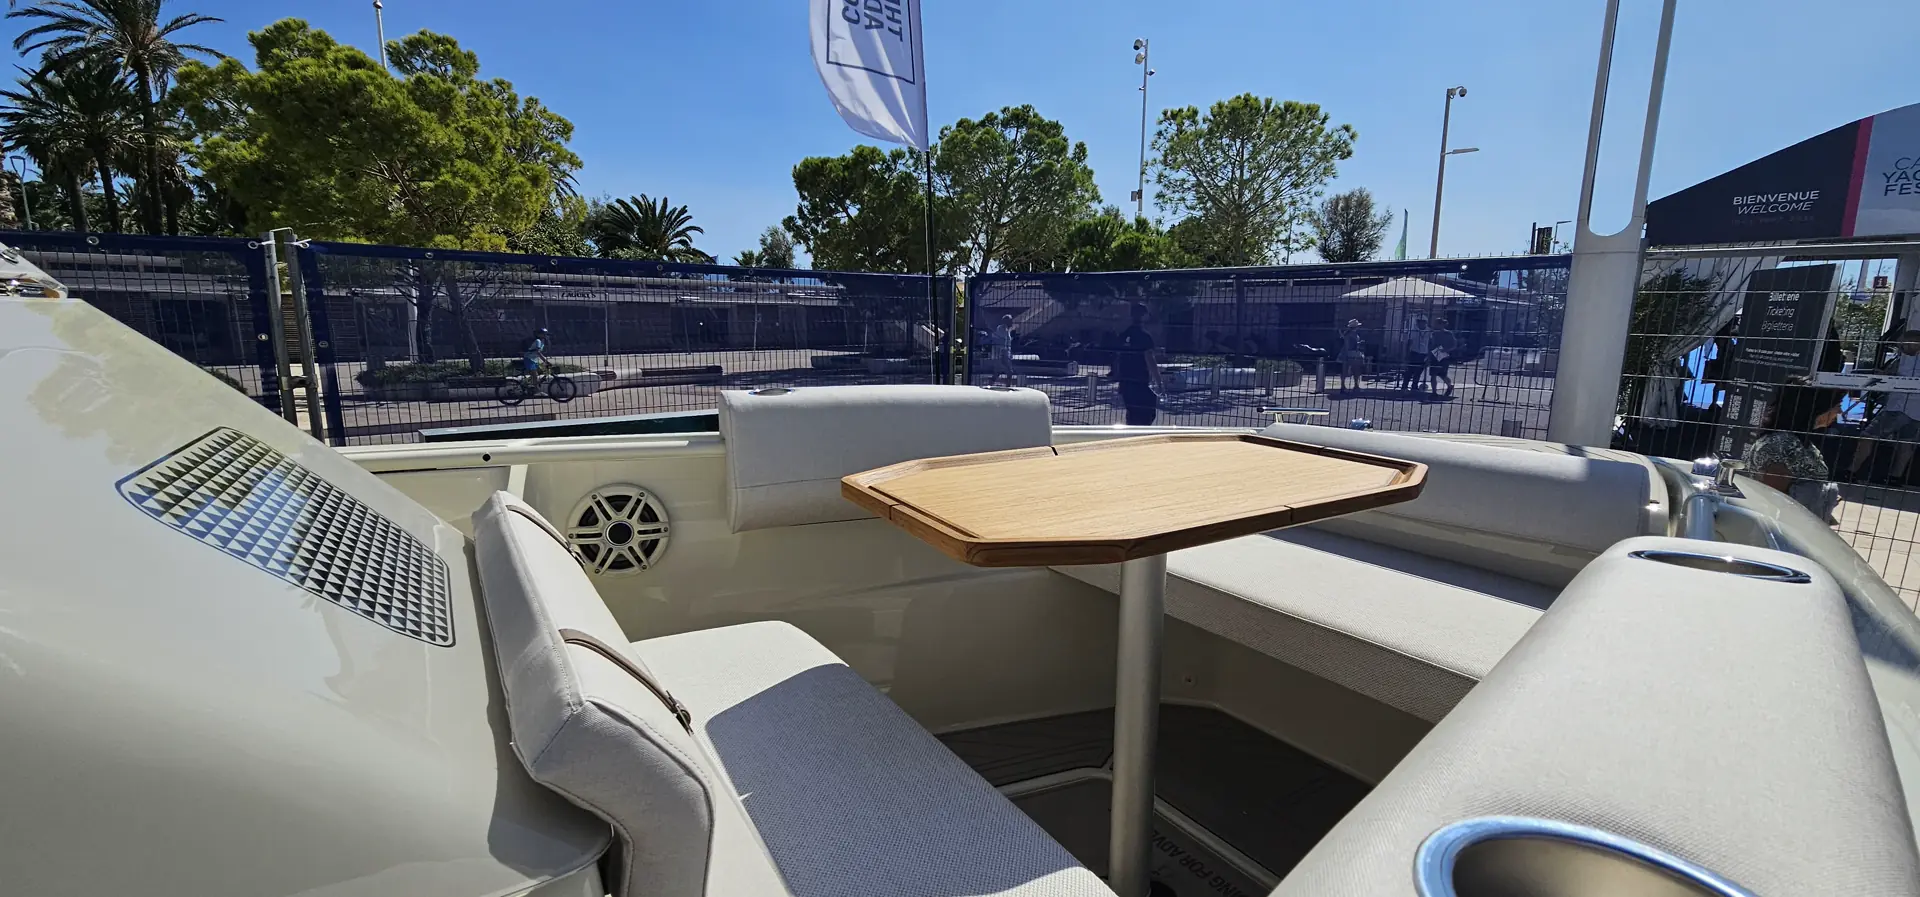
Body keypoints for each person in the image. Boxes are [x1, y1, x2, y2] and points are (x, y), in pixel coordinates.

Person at [1745, 382, 1843, 523]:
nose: (1839, 412)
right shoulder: (1781, 445)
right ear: (1816, 408)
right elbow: (1774, 501)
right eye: (1836, 406)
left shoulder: (1794, 441)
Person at [1846, 329, 1920, 485]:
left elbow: (1891, 376)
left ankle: (1851, 472)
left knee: (1868, 436)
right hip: (1917, 411)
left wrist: (1880, 375)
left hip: (1898, 407)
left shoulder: (1906, 360)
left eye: (1904, 343)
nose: (1901, 346)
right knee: (1906, 443)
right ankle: (1895, 477)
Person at [1113, 303, 1161, 426]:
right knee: (1147, 412)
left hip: (1126, 381)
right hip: (1140, 381)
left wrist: (1117, 376)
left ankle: (1131, 432)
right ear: (1144, 316)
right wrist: (1159, 381)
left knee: (1132, 412)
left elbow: (1118, 357)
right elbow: (1150, 359)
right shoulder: (1145, 336)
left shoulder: (1124, 334)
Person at [1429, 317, 1459, 397]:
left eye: (1436, 323)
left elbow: (1454, 345)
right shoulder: (1433, 333)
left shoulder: (1448, 334)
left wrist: (1446, 350)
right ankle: (1434, 392)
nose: (1435, 325)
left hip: (1444, 356)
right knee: (1433, 375)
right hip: (1435, 355)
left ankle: (1449, 386)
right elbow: (1431, 344)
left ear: (1441, 324)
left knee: (1443, 374)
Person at [1400, 317, 1431, 392]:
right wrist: (1407, 354)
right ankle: (1404, 386)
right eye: (1419, 322)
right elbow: (1409, 342)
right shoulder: (1414, 331)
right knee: (1409, 371)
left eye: (1423, 322)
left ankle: (1414, 386)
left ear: (1425, 323)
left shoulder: (1429, 331)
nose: (1421, 323)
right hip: (1414, 352)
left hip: (1424, 354)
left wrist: (1429, 355)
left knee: (1419, 371)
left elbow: (1431, 343)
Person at [986, 314, 1016, 386]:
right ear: (1006, 321)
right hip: (1002, 353)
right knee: (1009, 371)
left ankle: (991, 383)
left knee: (999, 371)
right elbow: (1002, 341)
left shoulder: (1006, 329)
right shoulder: (1001, 328)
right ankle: (1007, 385)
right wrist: (1004, 353)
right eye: (1010, 321)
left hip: (1004, 353)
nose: (1012, 322)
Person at [1338, 319, 1367, 390]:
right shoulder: (1351, 335)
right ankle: (1352, 385)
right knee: (1355, 369)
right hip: (1351, 353)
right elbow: (1348, 345)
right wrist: (1358, 344)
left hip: (1348, 353)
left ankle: (1345, 385)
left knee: (1347, 370)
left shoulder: (1349, 334)